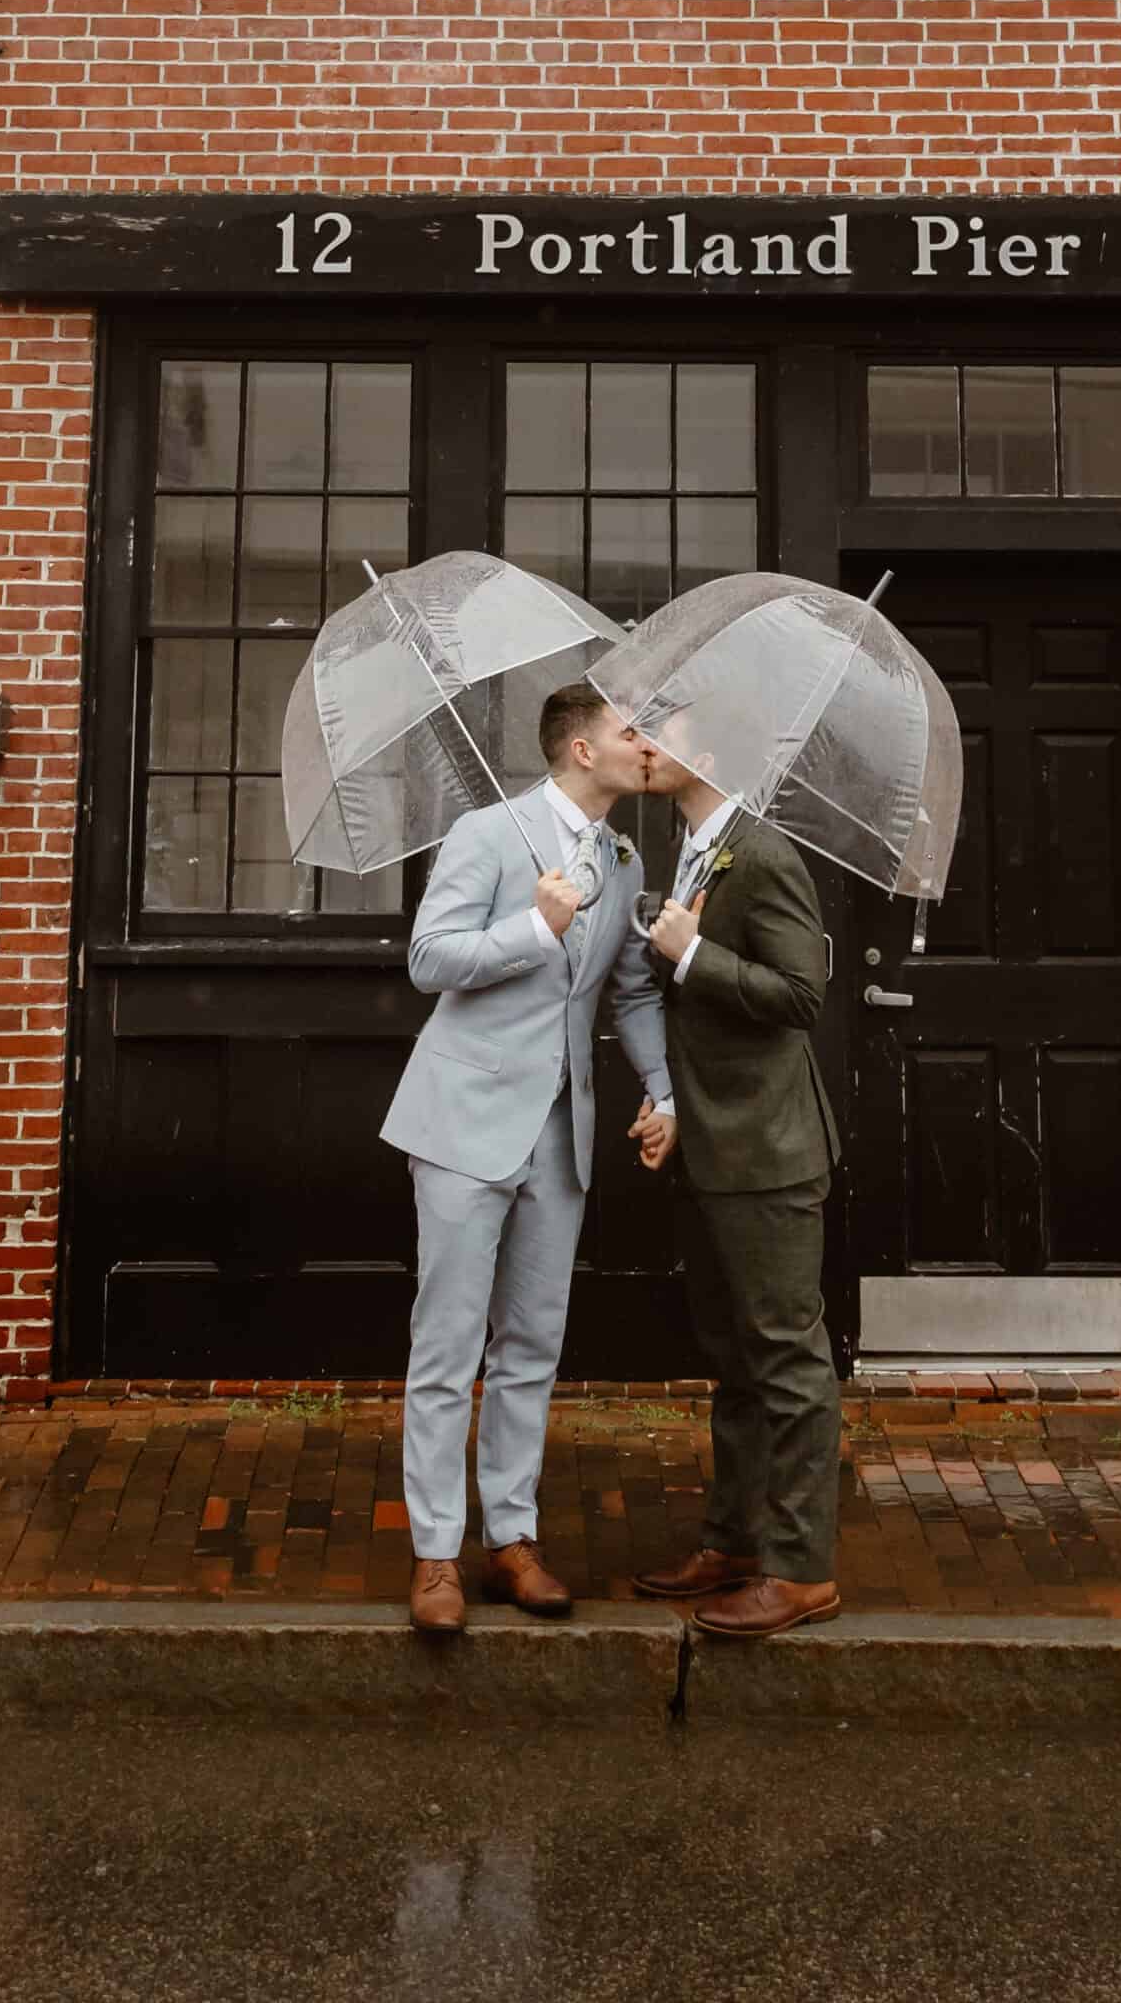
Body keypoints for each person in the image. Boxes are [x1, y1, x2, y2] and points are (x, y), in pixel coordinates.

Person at [380, 681, 671, 1636]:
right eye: (633, 733)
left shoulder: (625, 858)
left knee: (531, 1347)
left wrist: (660, 1089)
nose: (649, 746)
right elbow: (430, 958)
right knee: (447, 1344)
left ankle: (511, 1537)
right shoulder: (487, 834)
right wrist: (531, 928)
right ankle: (434, 1555)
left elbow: (629, 992)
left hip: (561, 1131)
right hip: (463, 1120)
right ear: (582, 750)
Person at [627, 714, 845, 1637]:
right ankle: (735, 1540)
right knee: (735, 1361)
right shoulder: (693, 849)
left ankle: (800, 1571)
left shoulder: (763, 852)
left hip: (769, 1152)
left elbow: (800, 997)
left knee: (789, 1359)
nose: (636, 743)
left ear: (707, 754)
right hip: (713, 1143)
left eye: (654, 732)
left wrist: (692, 954)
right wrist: (670, 1103)